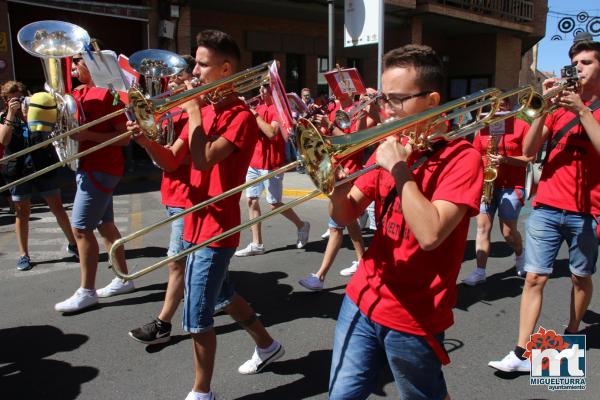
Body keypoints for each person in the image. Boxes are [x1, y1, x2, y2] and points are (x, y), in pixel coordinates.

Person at [128, 30, 284, 400]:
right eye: (195, 62)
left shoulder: (241, 118)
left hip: (216, 227)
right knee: (222, 295)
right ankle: (267, 345)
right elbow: (172, 160)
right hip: (192, 216)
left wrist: (194, 110)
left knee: (197, 317)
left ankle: (202, 392)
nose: (193, 71)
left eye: (201, 64)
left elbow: (204, 157)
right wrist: (146, 140)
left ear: (225, 68)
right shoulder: (203, 108)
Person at [327, 44, 483, 399]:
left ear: (431, 101)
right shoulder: (392, 144)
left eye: (396, 100)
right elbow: (345, 214)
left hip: (415, 315)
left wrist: (398, 168)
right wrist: (335, 185)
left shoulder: (463, 158)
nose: (385, 111)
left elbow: (430, 234)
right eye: (384, 99)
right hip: (362, 296)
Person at [489, 40, 600, 373]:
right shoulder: (557, 107)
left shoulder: (588, 107)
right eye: (574, 63)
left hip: (588, 211)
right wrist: (543, 107)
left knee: (580, 278)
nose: (577, 68)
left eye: (586, 63)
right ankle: (522, 353)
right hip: (548, 205)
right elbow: (529, 147)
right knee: (535, 278)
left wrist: (582, 110)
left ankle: (571, 332)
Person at [54, 55, 135, 313]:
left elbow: (124, 137)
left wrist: (87, 134)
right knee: (105, 225)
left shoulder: (109, 94)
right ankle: (123, 279)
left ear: (95, 64)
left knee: (80, 229)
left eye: (80, 60)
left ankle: (87, 291)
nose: (74, 64)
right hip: (86, 166)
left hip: (101, 168)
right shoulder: (76, 93)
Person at [128, 54, 195, 344]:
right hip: (172, 192)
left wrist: (147, 142)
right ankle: (213, 296)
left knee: (176, 262)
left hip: (187, 195)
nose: (174, 82)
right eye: (174, 77)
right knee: (197, 263)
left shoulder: (195, 113)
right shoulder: (174, 111)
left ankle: (163, 324)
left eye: (180, 76)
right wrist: (147, 138)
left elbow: (171, 160)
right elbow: (162, 160)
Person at [0, 82, 78, 271]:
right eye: (12, 98)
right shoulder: (3, 117)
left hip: (43, 164)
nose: (17, 100)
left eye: (20, 96)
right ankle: (23, 254)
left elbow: (53, 130)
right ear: (5, 100)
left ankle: (73, 243)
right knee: (22, 213)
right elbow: (4, 140)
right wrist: (11, 114)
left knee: (57, 207)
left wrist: (32, 113)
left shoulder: (37, 110)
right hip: (18, 169)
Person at [298, 92, 371, 289]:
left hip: (349, 173)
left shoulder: (360, 112)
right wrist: (317, 125)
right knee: (350, 222)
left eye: (340, 87)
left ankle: (320, 277)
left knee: (335, 227)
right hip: (336, 169)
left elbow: (355, 143)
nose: (335, 91)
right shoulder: (334, 111)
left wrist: (329, 126)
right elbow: (328, 142)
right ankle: (364, 263)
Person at [462, 98, 533, 285]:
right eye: (494, 106)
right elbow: (475, 154)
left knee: (508, 233)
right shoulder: (485, 127)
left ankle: (520, 255)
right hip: (487, 183)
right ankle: (480, 271)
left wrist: (506, 159)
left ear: (509, 106)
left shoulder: (522, 126)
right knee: (482, 228)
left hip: (511, 185)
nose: (497, 108)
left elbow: (528, 158)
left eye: (502, 105)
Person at [234, 85, 310, 257]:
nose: (261, 91)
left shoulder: (279, 109)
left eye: (265, 88)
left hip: (271, 163)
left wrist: (253, 114)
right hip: (254, 161)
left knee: (274, 203)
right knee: (251, 201)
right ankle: (257, 243)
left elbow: (271, 132)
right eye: (260, 88)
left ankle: (301, 225)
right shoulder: (258, 107)